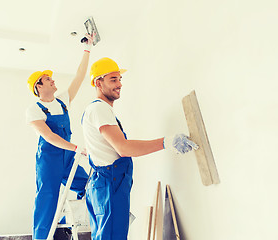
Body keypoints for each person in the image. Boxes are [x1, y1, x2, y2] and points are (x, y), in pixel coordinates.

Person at [81, 57, 199, 240]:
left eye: (120, 79)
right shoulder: (99, 109)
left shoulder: (100, 111)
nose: (119, 84)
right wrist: (167, 142)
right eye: (113, 79)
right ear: (98, 82)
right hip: (108, 184)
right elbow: (123, 148)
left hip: (106, 184)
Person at [26, 34, 94, 240]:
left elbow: (80, 77)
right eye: (47, 79)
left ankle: (89, 222)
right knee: (47, 201)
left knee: (90, 185)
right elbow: (48, 136)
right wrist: (75, 148)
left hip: (67, 159)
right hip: (49, 161)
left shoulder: (63, 101)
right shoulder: (34, 110)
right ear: (38, 86)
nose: (52, 80)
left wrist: (87, 49)